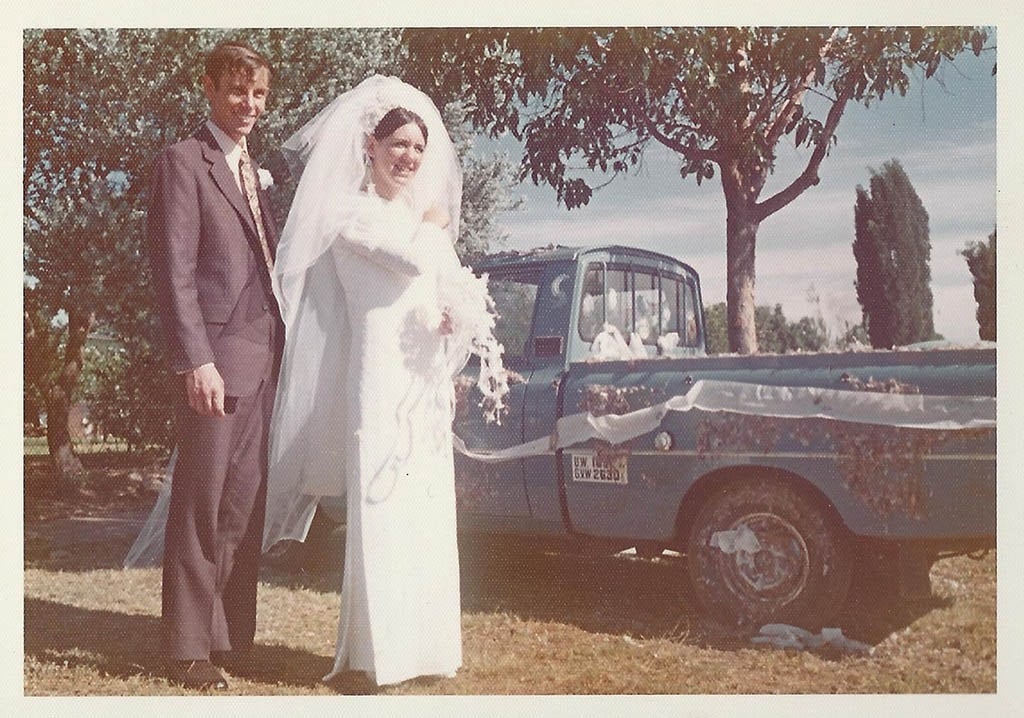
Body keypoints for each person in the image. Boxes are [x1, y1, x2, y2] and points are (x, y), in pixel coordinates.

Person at [262, 75, 502, 687]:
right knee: (382, 507)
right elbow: (411, 258)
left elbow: (445, 283)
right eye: (399, 144)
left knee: (425, 508)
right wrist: (432, 220)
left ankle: (427, 651)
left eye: (420, 149)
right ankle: (374, 656)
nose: (411, 158)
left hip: (421, 380)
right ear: (369, 145)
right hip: (377, 377)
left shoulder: (417, 217)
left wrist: (455, 316)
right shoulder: (349, 212)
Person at [147, 40, 283, 690]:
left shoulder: (252, 170)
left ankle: (228, 637)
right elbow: (173, 272)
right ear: (207, 88)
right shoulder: (183, 162)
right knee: (201, 505)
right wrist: (194, 359)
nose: (249, 104)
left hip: (263, 362)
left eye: (258, 93)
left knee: (243, 505)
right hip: (215, 364)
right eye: (236, 91)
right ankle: (185, 650)